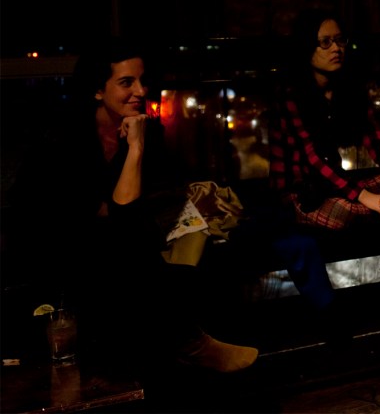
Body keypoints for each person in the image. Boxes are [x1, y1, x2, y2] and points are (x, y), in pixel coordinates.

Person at [8, 36, 258, 374]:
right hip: (54, 249)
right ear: (98, 90)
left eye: (142, 80)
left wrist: (140, 150)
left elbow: (151, 202)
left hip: (117, 243)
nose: (140, 91)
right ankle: (189, 345)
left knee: (183, 255)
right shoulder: (64, 139)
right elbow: (116, 214)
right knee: (130, 261)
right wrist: (135, 150)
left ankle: (180, 357)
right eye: (127, 82)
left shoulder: (146, 131)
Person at [233, 9, 380, 320]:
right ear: (307, 48)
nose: (336, 48)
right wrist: (366, 197)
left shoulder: (346, 89)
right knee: (341, 214)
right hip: (299, 196)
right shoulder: (291, 95)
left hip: (335, 188)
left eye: (339, 40)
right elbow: (313, 160)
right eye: (324, 42)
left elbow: (377, 138)